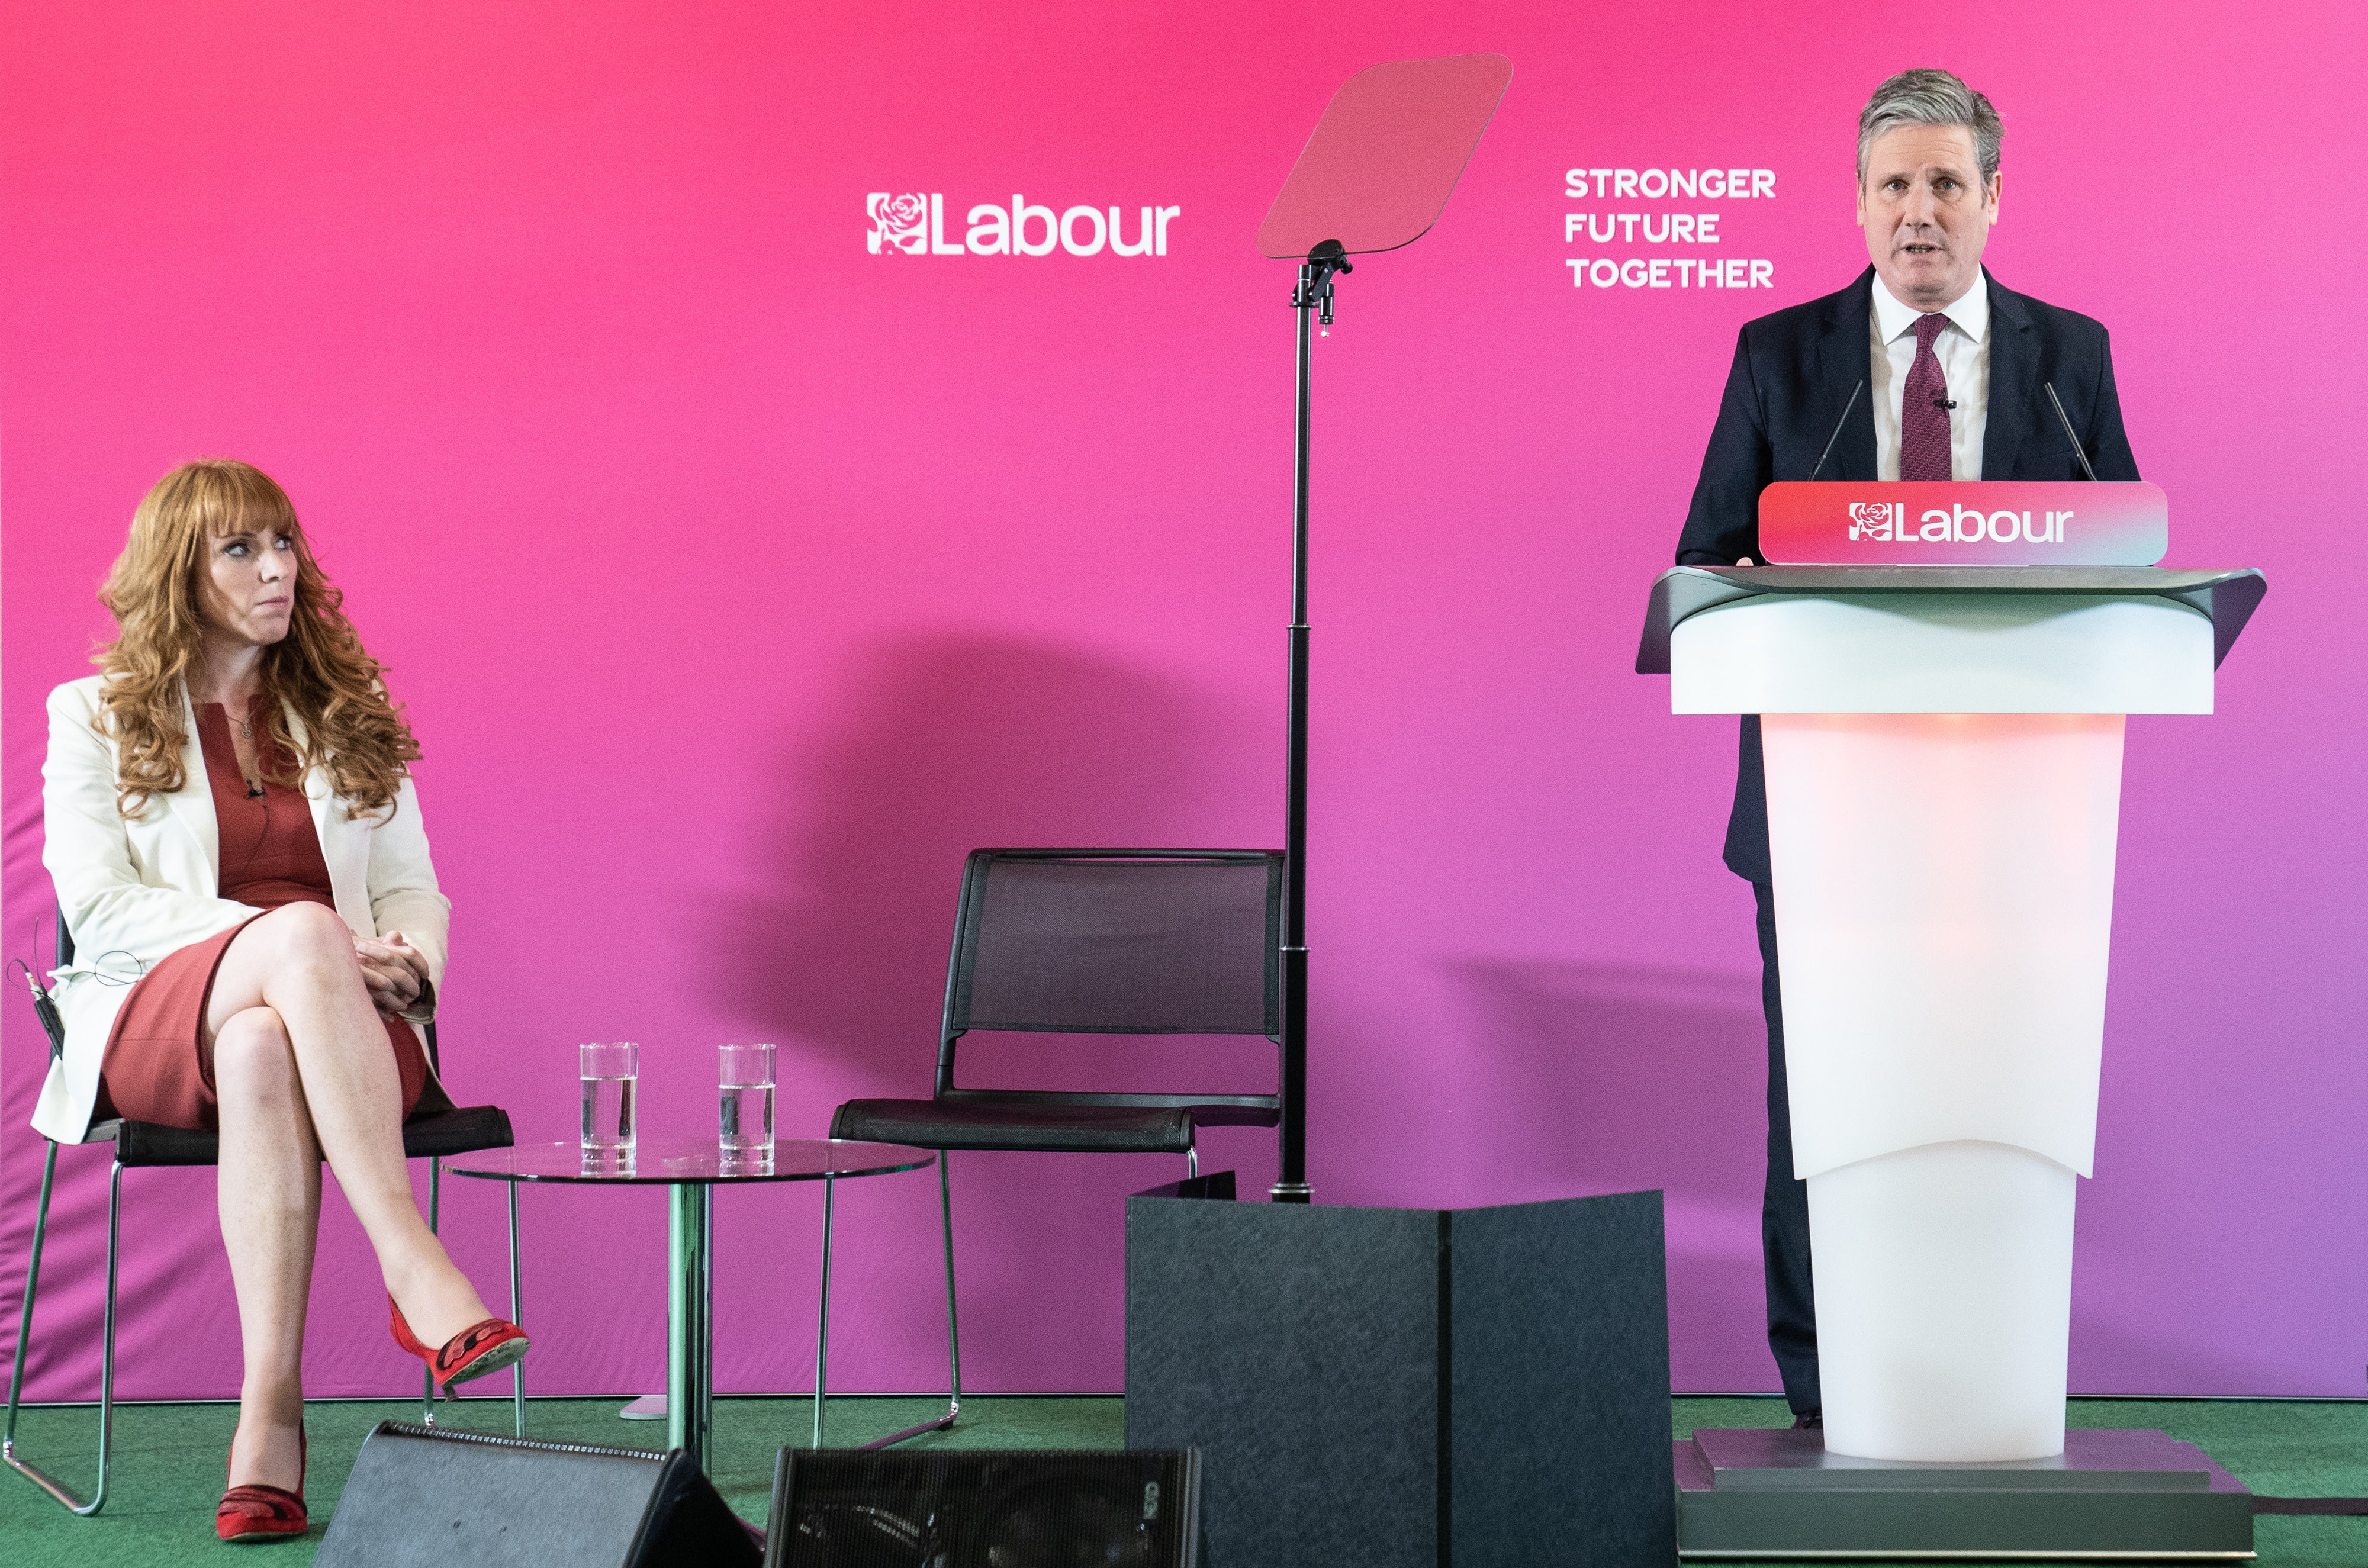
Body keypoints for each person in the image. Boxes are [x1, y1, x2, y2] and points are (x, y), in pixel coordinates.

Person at [1673, 69, 2139, 1427]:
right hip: (1824, 805)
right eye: (1893, 185)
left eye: (1944, 183)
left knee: (1991, 1085)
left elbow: (2123, 554)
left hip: (2019, 812)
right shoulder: (1781, 356)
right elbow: (1702, 562)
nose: (1917, 212)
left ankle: (1983, 1385)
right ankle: (1826, 1394)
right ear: (1857, 201)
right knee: (1825, 1091)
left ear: (1991, 198)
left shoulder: (2068, 359)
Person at [33, 458, 528, 1541]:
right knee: (292, 940)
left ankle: (269, 1422)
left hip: (335, 1030)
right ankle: (413, 1262)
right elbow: (103, 910)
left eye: (286, 543)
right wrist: (305, 940)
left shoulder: (346, 708)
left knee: (264, 1040)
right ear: (181, 572)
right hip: (160, 1016)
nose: (278, 568)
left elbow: (409, 885)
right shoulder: (95, 715)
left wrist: (404, 957)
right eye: (242, 549)